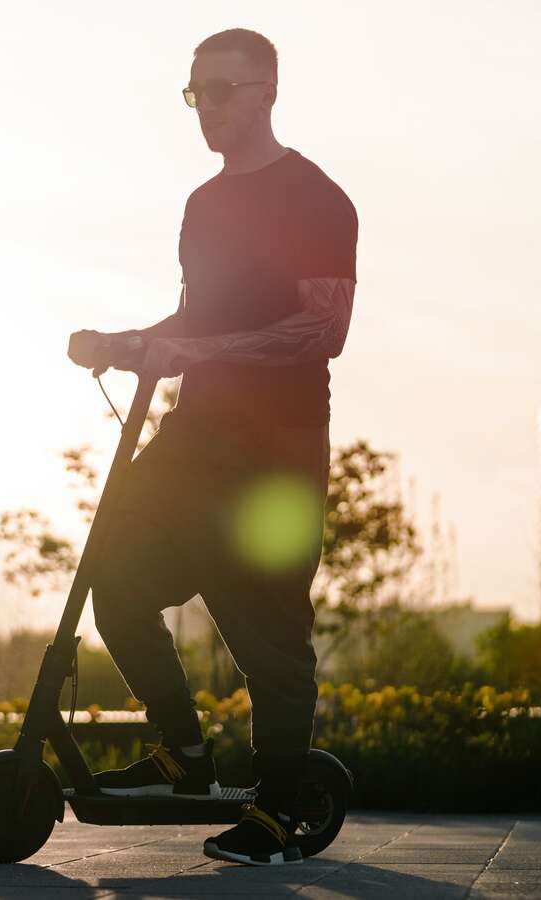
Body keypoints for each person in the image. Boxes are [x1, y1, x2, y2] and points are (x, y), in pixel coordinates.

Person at [65, 28, 358, 866]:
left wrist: (206, 352)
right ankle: (182, 751)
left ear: (266, 90)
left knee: (268, 634)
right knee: (113, 582)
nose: (207, 108)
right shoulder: (204, 204)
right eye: (196, 93)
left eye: (222, 90)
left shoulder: (316, 198)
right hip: (191, 441)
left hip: (275, 453)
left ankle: (275, 811)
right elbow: (194, 324)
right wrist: (122, 343)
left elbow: (323, 329)